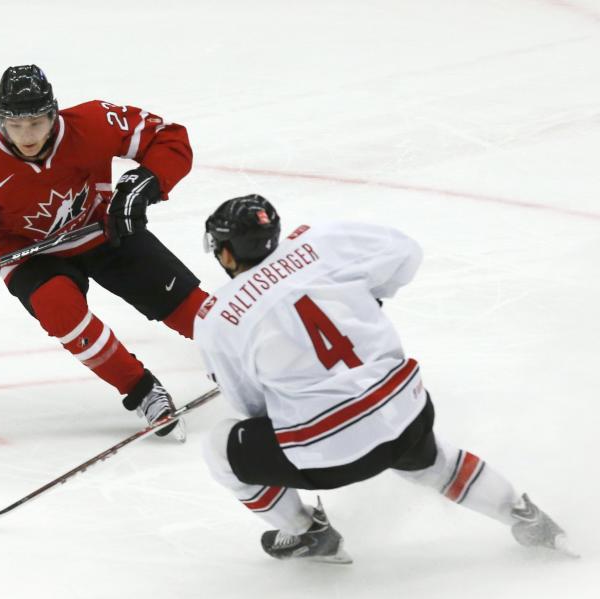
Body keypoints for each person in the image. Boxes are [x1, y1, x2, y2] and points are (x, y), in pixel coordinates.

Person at [194, 194, 573, 563]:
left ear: (228, 252)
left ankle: (308, 531)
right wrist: (370, 297)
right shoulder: (317, 243)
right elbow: (406, 251)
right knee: (430, 460)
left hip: (325, 456)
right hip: (407, 413)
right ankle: (527, 518)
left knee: (219, 448)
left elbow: (250, 407)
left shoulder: (217, 318)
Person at [0, 65, 210, 439]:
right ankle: (141, 389)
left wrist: (146, 182)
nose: (27, 135)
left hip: (104, 231)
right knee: (60, 309)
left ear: (54, 113)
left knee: (189, 308)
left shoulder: (94, 122)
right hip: (30, 255)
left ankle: (249, 350)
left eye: (38, 122)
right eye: (15, 125)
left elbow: (170, 138)